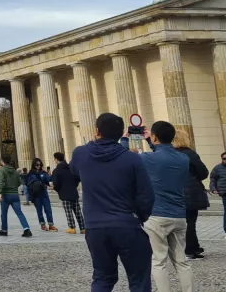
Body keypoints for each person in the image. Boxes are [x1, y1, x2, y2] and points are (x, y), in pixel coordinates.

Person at [70, 113, 154, 292]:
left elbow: (74, 172)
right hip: (126, 223)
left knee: (102, 277)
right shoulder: (132, 159)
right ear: (120, 134)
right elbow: (146, 195)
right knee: (139, 278)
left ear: (97, 131)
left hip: (95, 226)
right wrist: (140, 216)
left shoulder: (80, 153)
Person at [133, 121, 192, 292]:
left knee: (159, 261)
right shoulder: (184, 159)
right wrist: (152, 141)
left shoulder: (146, 158)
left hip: (157, 214)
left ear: (155, 136)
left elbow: (139, 159)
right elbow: (163, 156)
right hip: (179, 214)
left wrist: (125, 139)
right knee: (181, 261)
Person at [174, 138, 209, 260]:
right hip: (191, 191)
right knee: (190, 221)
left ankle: (193, 247)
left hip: (174, 191)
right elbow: (203, 172)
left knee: (182, 222)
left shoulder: (169, 154)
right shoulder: (189, 153)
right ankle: (190, 249)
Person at [0, 154, 32, 237]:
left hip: (5, 194)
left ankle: (4, 230)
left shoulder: (2, 170)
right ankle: (27, 229)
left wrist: (0, 193)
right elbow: (19, 182)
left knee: (4, 213)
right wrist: (13, 187)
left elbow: (1, 182)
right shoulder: (15, 171)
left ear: (2, 161)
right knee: (19, 213)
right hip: (15, 194)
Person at [51, 152, 85, 234]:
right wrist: (74, 185)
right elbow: (78, 178)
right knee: (78, 211)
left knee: (68, 211)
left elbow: (56, 183)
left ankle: (72, 227)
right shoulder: (70, 168)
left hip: (64, 193)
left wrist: (57, 189)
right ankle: (83, 228)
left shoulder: (57, 170)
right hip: (73, 192)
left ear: (56, 159)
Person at [25, 158, 57, 232]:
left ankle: (51, 225)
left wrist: (50, 182)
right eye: (37, 165)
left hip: (44, 193)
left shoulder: (43, 173)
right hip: (36, 195)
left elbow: (48, 180)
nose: (38, 166)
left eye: (39, 164)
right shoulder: (30, 174)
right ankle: (42, 224)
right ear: (34, 165)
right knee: (39, 210)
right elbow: (27, 183)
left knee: (48, 209)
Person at [211, 151, 226, 238]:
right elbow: (213, 179)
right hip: (225, 193)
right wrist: (213, 189)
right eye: (224, 159)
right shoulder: (217, 168)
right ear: (222, 159)